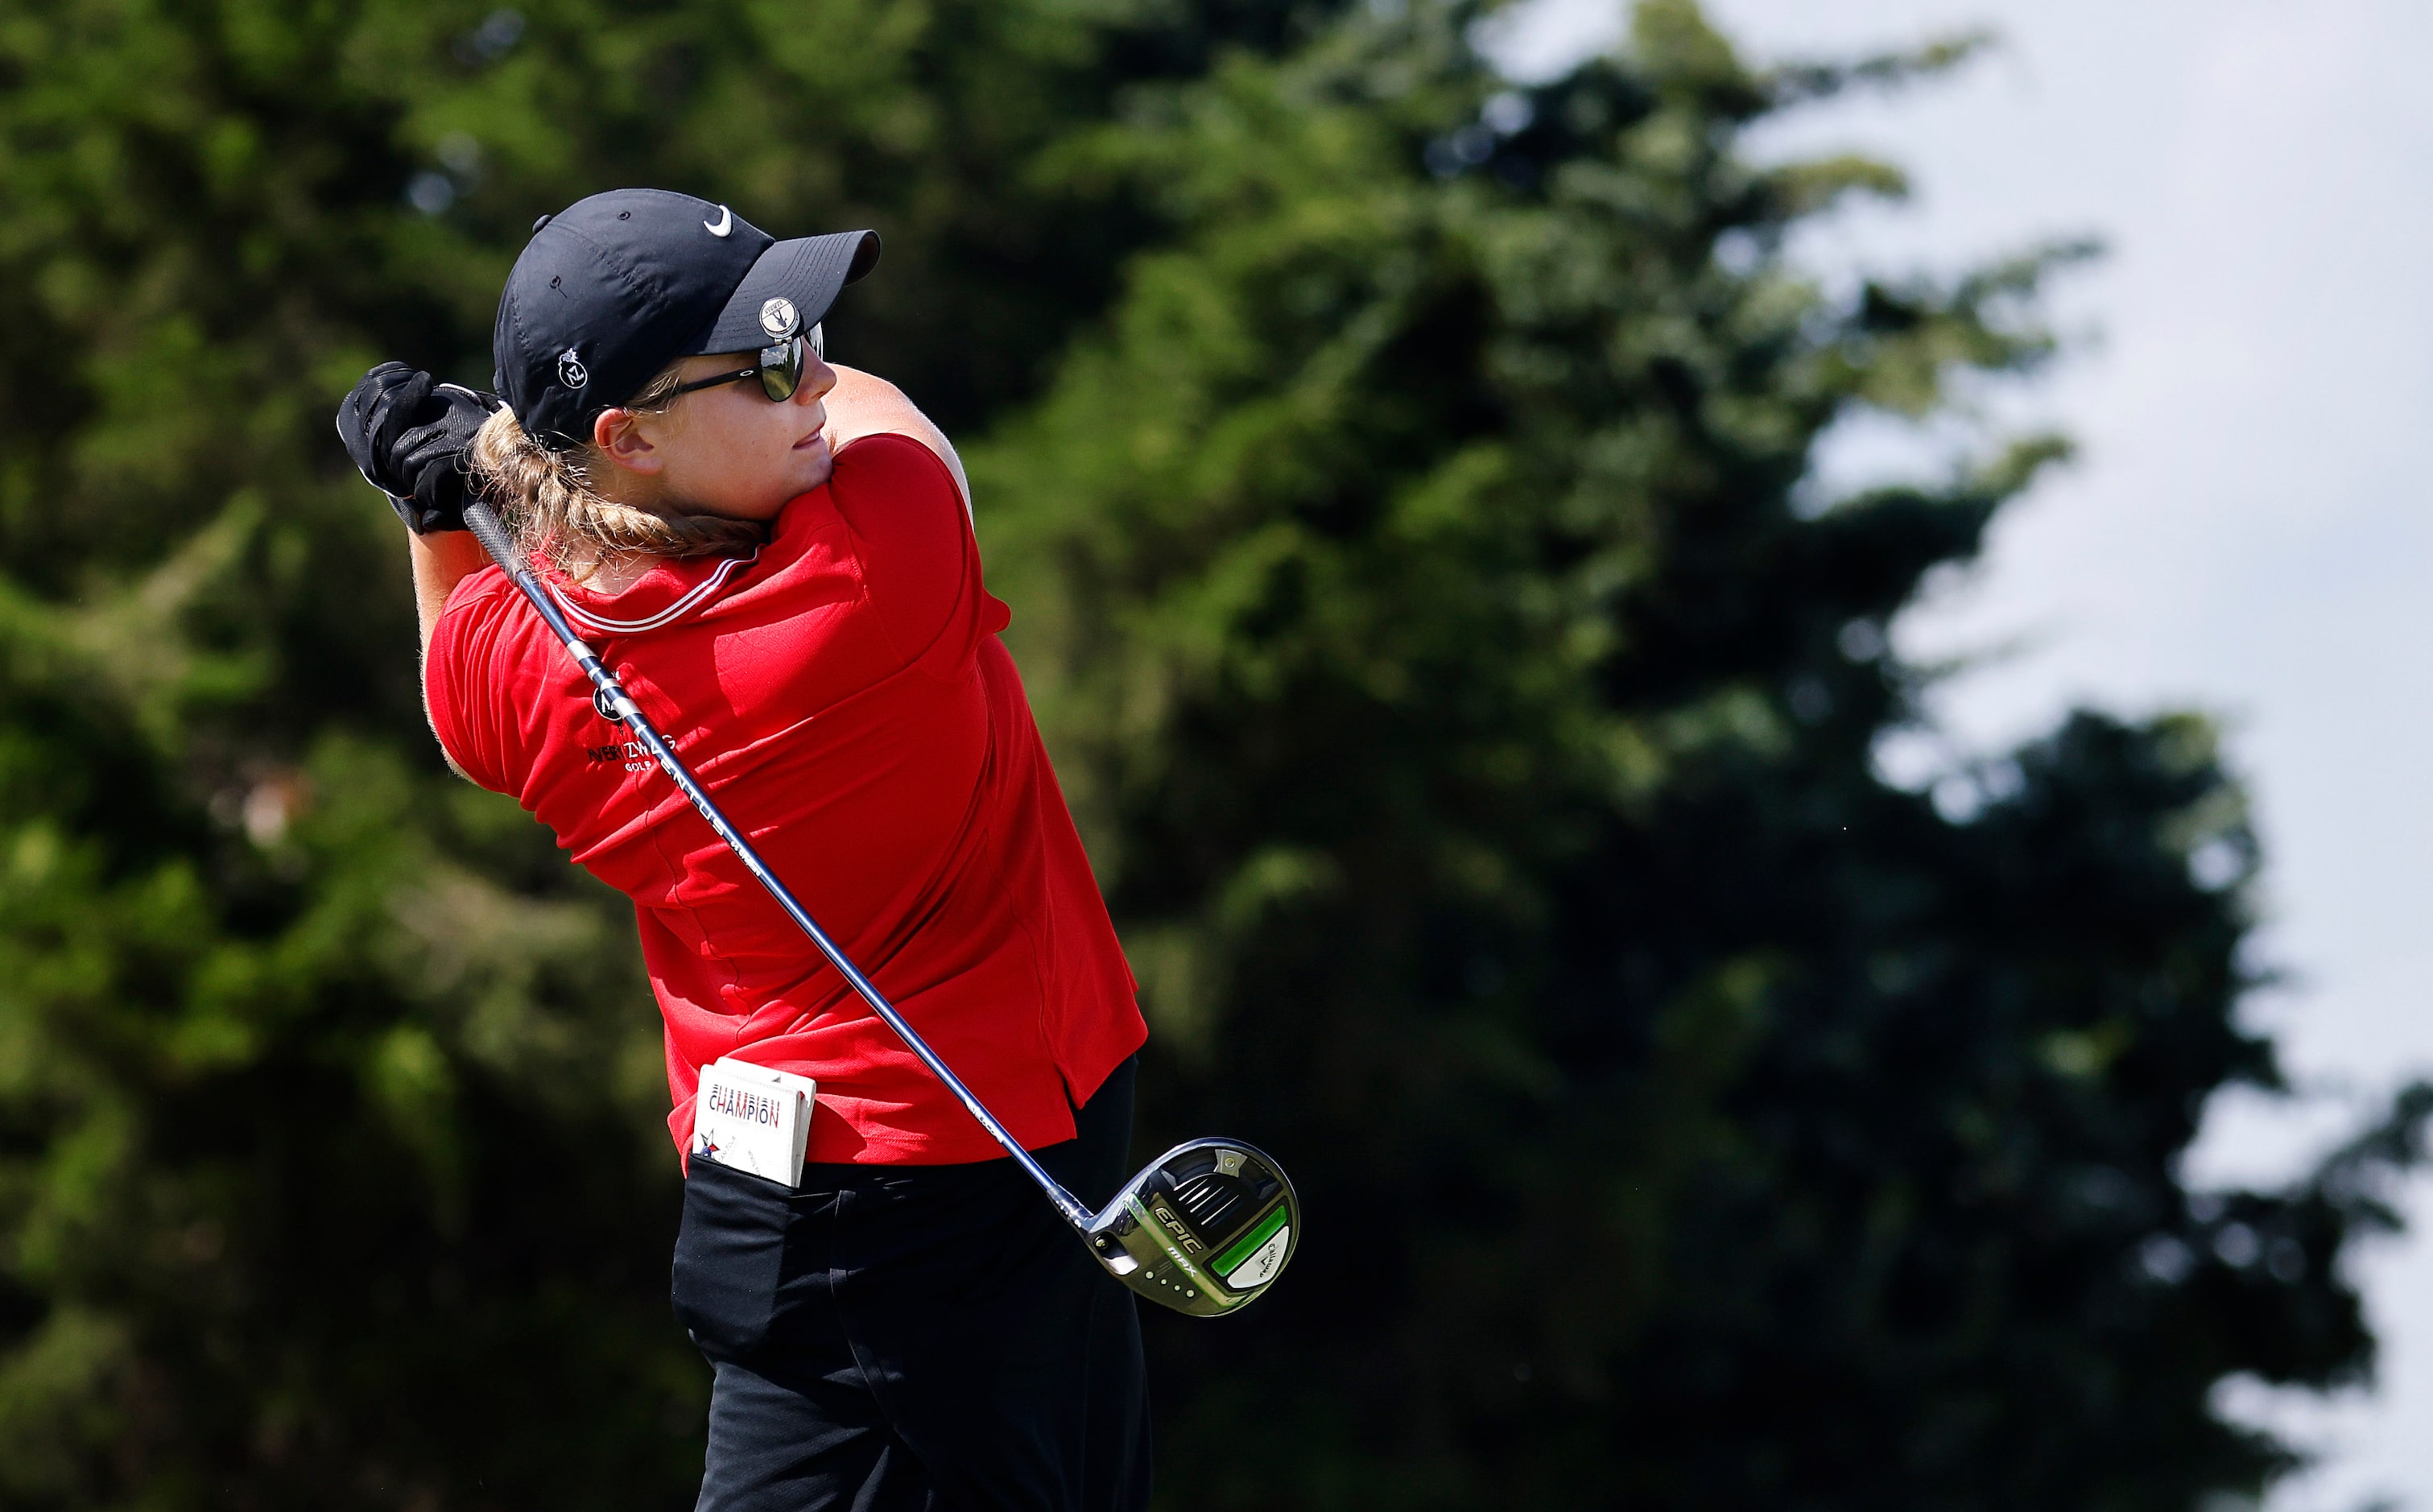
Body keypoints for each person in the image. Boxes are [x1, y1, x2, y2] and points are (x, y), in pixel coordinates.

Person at [337, 189, 1151, 1512]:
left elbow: (452, 683)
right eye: (772, 360)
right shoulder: (883, 567)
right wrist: (488, 468)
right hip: (928, 1210)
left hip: (856, 1195)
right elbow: (897, 421)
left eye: (811, 333)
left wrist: (453, 493)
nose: (818, 374)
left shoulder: (525, 681)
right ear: (628, 437)